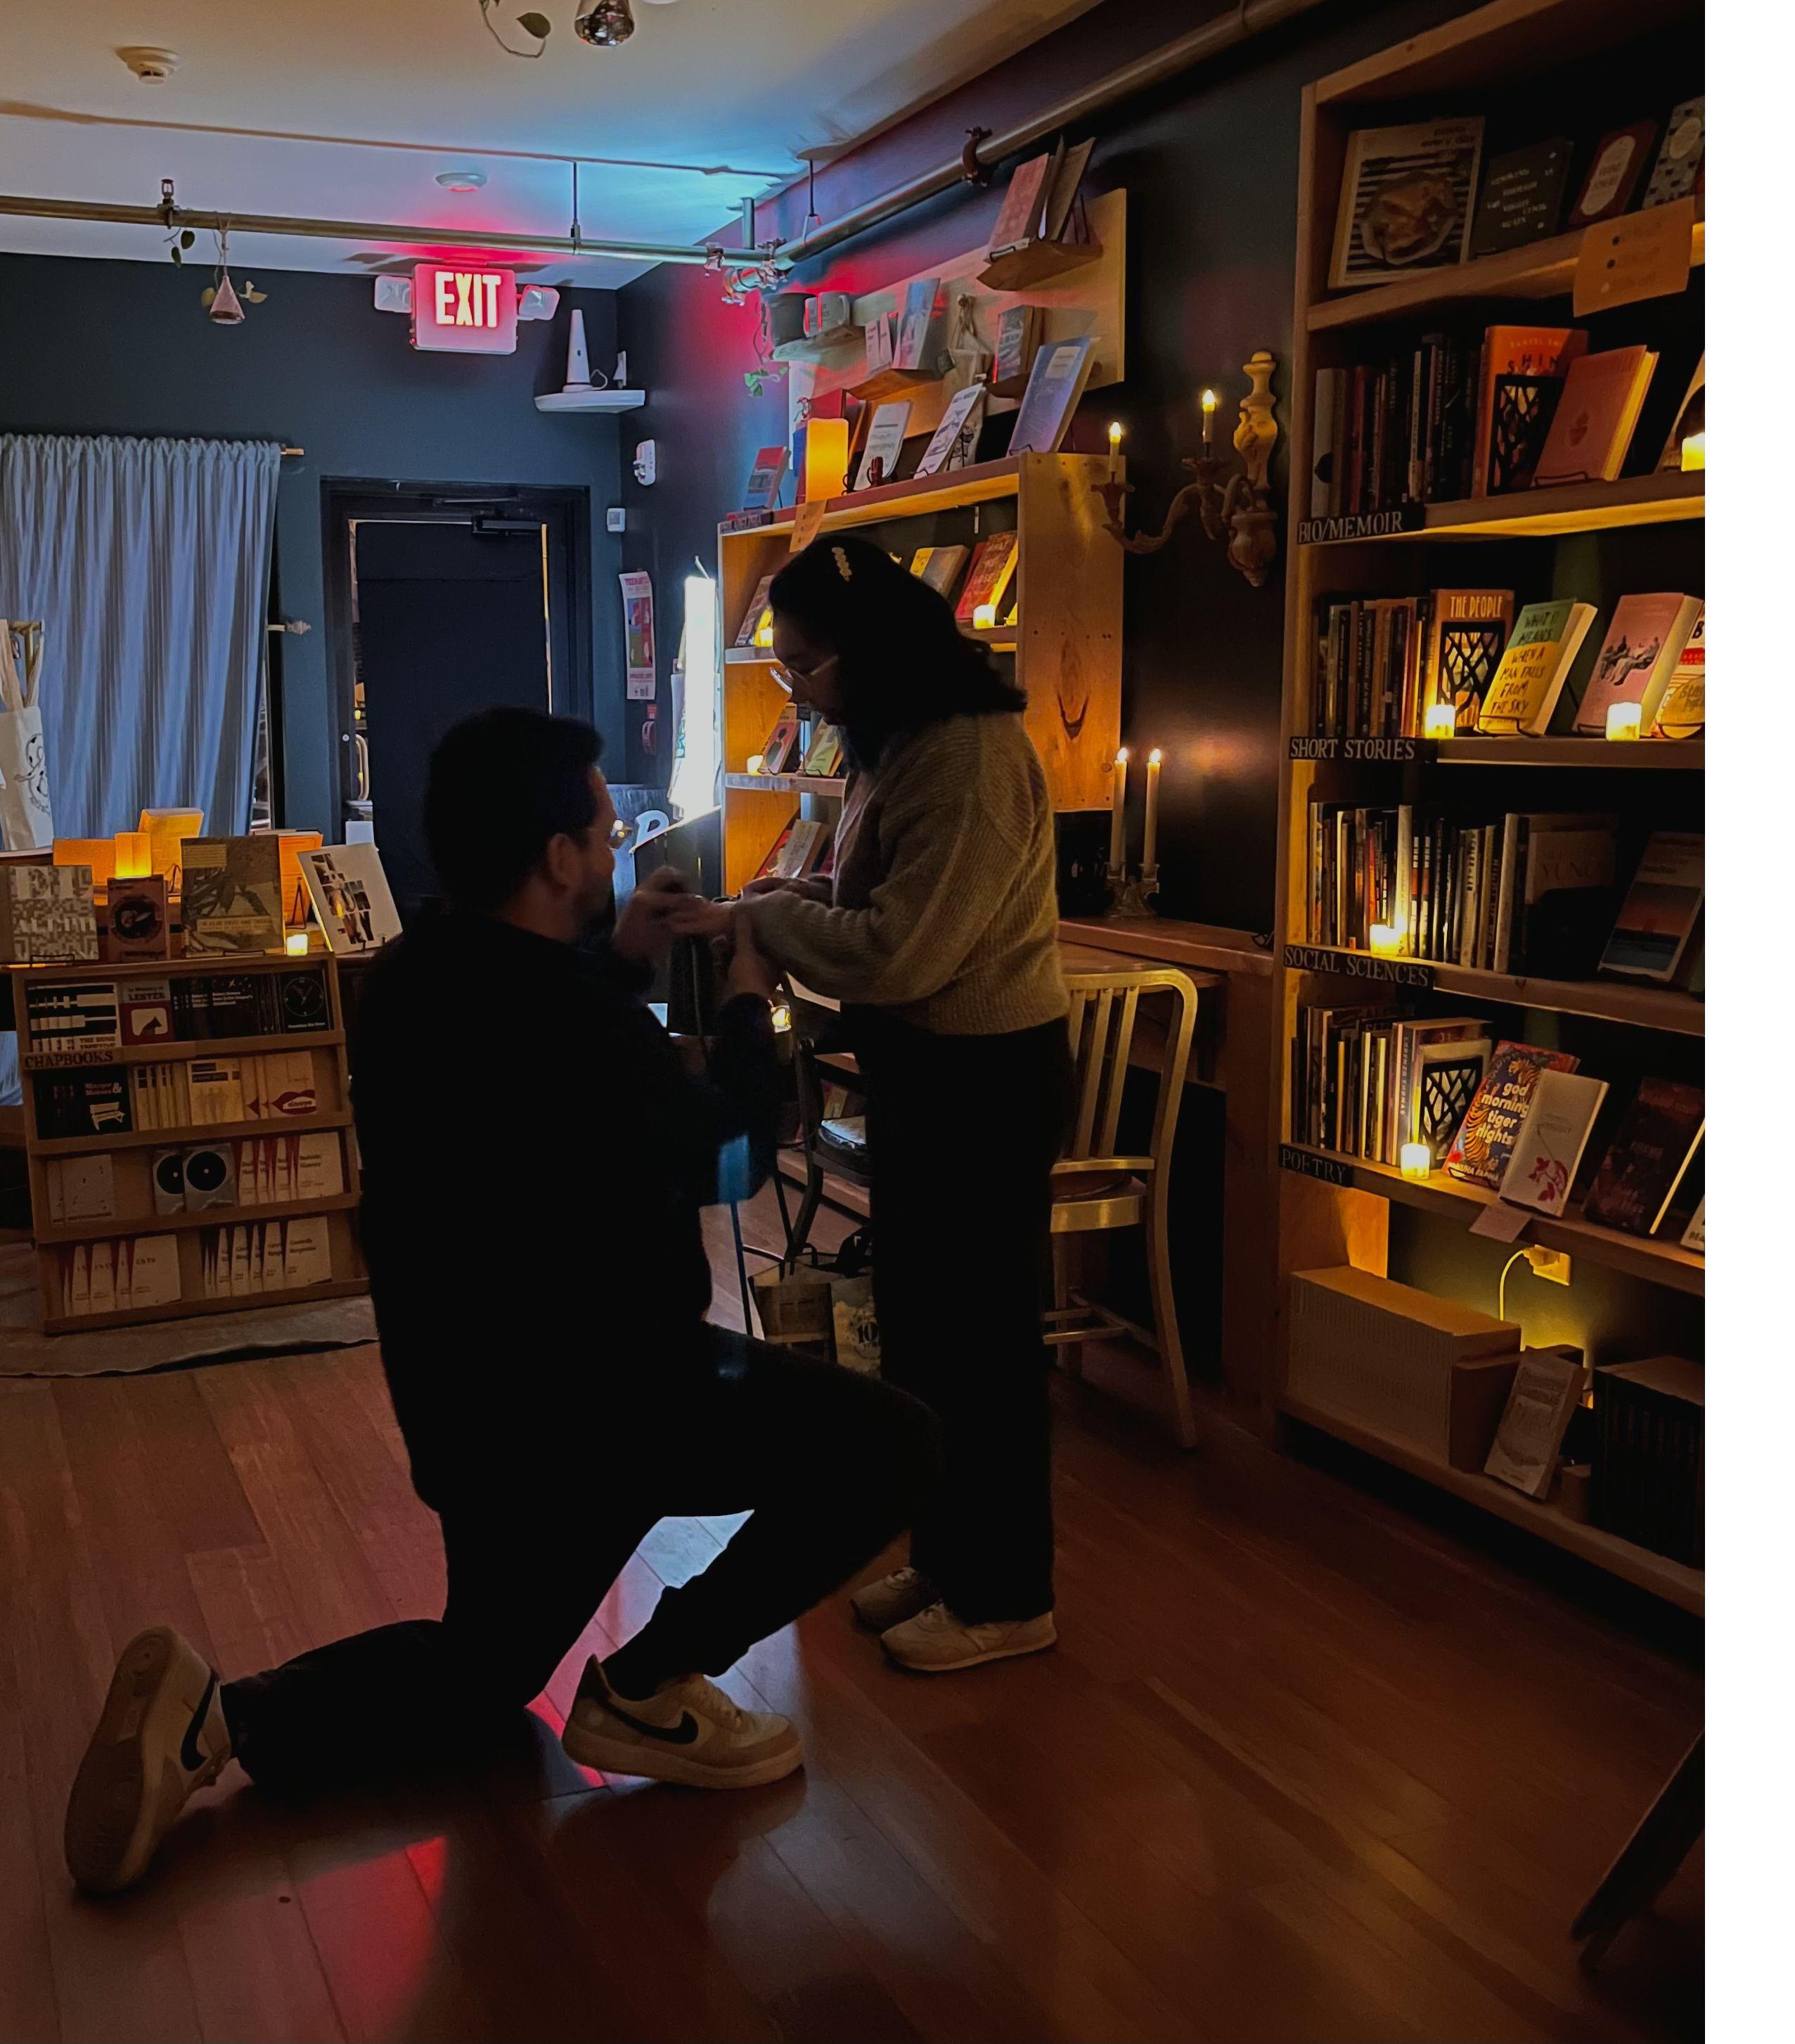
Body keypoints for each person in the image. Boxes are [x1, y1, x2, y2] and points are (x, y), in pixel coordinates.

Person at [62, 707, 938, 1894]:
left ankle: (215, 1719)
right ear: (559, 857)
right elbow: (729, 1150)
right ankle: (653, 1685)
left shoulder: (415, 978)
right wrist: (748, 1002)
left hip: (473, 1417)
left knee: (482, 1677)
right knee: (895, 1444)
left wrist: (621, 960)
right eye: (602, 829)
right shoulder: (578, 1028)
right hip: (616, 1407)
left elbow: (543, 1065)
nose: (616, 844)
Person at [674, 534, 1072, 1676]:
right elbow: (868, 893)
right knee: (927, 1333)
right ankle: (950, 1560)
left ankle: (1008, 1595)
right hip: (934, 1071)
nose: (795, 684)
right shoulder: (899, 739)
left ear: (871, 649)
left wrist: (765, 919)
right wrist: (772, 899)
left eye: (805, 662)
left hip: (984, 1080)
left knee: (983, 1347)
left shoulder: (965, 757)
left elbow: (902, 950)